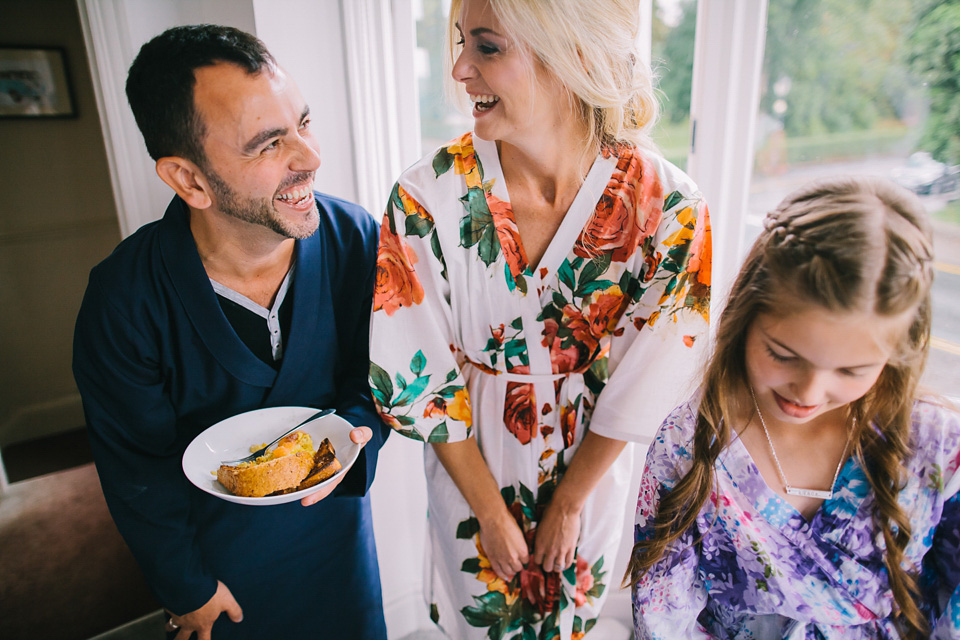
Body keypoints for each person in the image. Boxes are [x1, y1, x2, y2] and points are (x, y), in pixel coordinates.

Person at [369, 0, 712, 636]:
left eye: (487, 47)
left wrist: (572, 500)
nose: (460, 69)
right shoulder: (426, 197)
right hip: (472, 465)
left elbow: (655, 376)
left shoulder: (668, 208)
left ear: (572, 56)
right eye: (460, 42)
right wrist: (489, 511)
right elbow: (420, 378)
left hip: (592, 464)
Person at [72, 25, 390, 640]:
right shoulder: (123, 300)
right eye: (270, 144)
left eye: (303, 122)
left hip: (338, 545)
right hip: (220, 581)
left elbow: (374, 376)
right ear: (189, 180)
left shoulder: (358, 241)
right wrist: (184, 585)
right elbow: (134, 468)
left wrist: (362, 425)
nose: (310, 157)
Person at [627, 176, 960, 638]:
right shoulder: (688, 441)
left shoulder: (938, 444)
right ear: (744, 318)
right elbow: (664, 614)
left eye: (851, 371)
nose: (809, 391)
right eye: (784, 355)